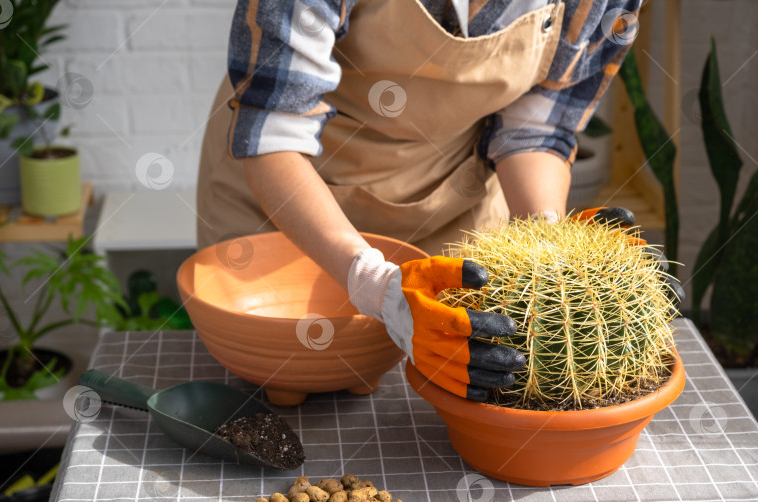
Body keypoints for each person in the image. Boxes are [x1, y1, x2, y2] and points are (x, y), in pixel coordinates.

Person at [197, 0, 646, 401]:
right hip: (287, 192)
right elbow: (276, 127)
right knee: (283, 382)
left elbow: (536, 131)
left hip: (450, 198)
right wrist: (376, 284)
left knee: (444, 368)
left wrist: (550, 242)